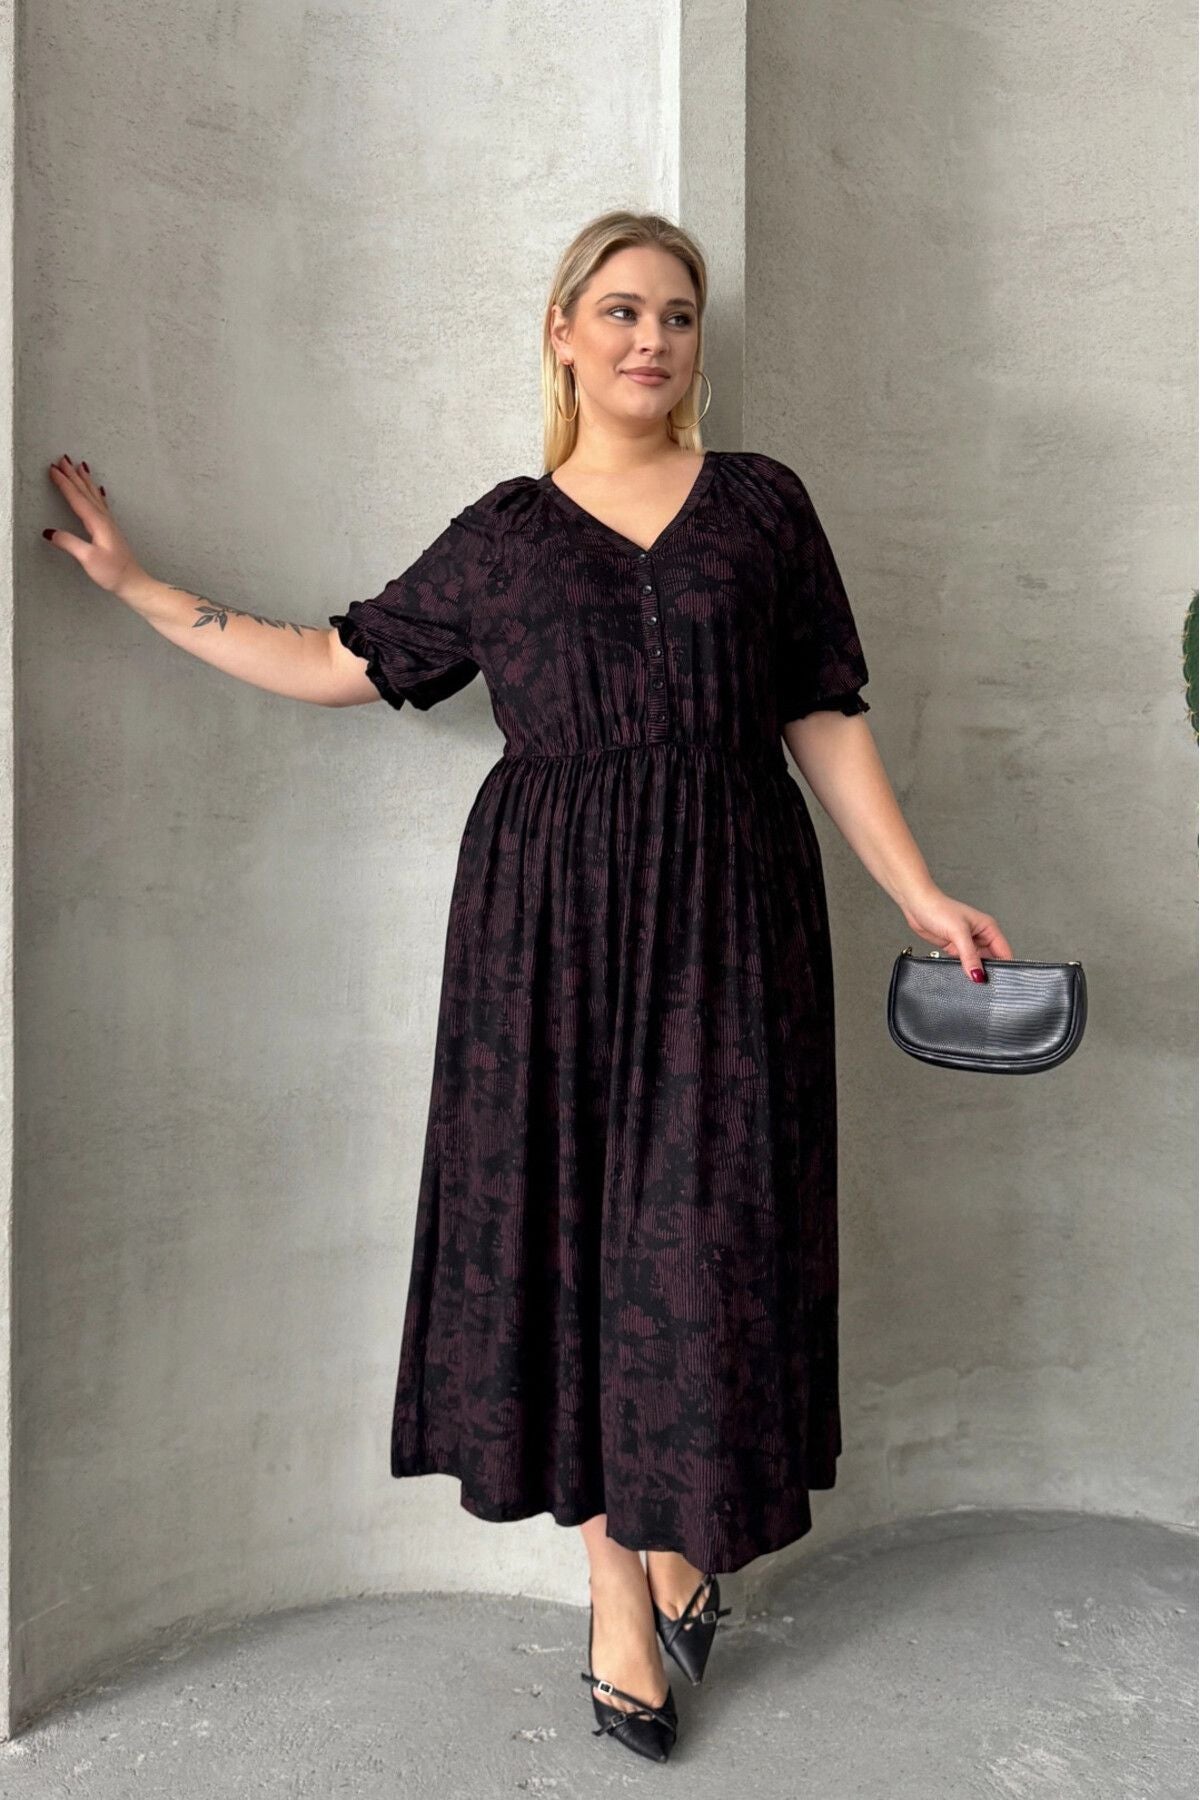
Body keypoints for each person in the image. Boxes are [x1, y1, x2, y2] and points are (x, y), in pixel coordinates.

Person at [43, 209, 1013, 1767]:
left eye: (677, 315)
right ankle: (618, 1586)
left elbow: (822, 709)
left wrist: (916, 888)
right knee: (566, 1249)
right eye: (620, 310)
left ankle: (685, 1540)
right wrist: (145, 591)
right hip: (543, 929)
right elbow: (337, 660)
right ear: (562, 333)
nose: (652, 339)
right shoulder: (505, 535)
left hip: (731, 911)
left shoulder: (762, 505)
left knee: (709, 1239)